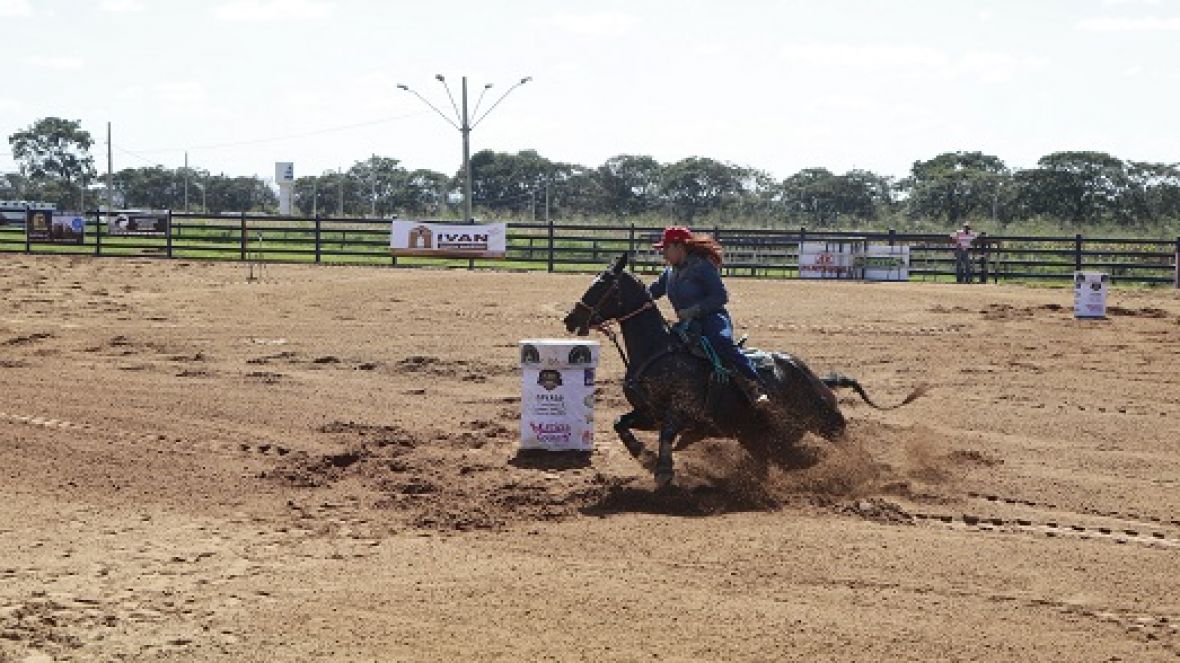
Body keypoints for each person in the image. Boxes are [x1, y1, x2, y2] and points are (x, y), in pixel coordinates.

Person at [648, 226, 769, 408]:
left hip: (713, 318)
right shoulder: (669, 273)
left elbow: (720, 296)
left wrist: (693, 310)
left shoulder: (702, 266)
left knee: (721, 341)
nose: (663, 254)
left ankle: (755, 386)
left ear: (678, 246)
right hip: (687, 325)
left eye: (665, 249)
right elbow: (651, 293)